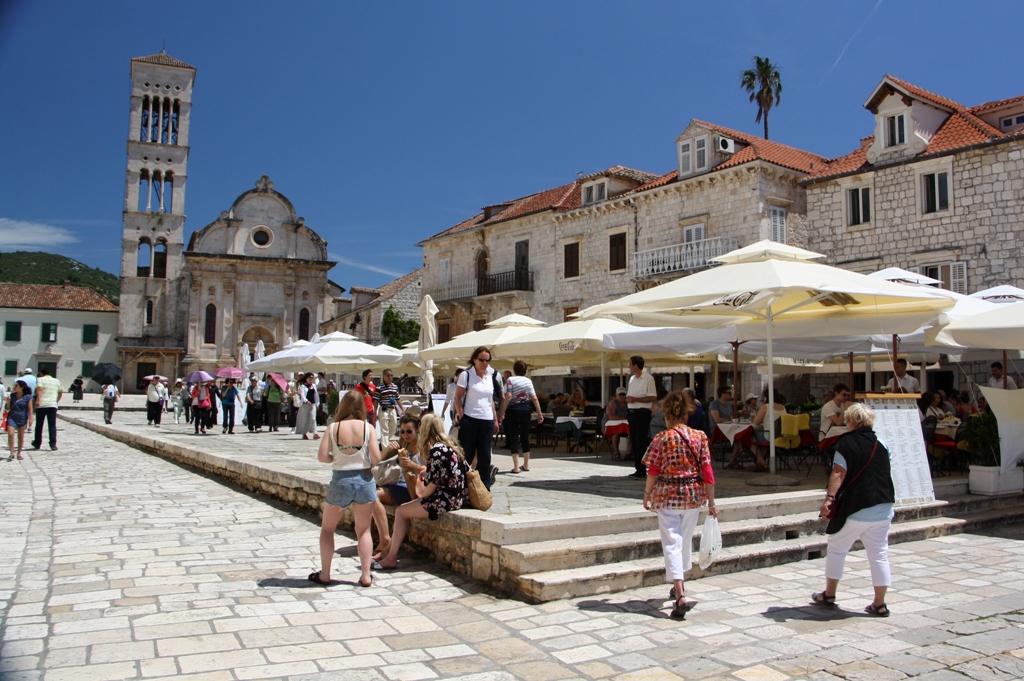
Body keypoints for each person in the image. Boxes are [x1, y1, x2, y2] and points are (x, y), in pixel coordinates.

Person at [642, 390, 718, 619]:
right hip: (693, 496)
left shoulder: (661, 438)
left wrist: (647, 493)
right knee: (684, 541)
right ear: (685, 414)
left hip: (667, 495)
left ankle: (680, 591)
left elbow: (652, 470)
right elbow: (708, 472)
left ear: (667, 415)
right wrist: (712, 502)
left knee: (672, 543)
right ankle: (679, 584)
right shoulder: (700, 437)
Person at [815, 403, 895, 617]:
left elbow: (838, 473)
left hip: (856, 507)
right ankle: (879, 603)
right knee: (879, 554)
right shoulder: (882, 444)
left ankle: (829, 594)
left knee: (837, 549)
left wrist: (829, 499)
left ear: (851, 421)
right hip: (882, 505)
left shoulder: (846, 443)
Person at [377, 414, 468, 570]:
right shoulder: (450, 446)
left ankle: (390, 556)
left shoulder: (435, 451)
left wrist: (419, 499)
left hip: (443, 500)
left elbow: (430, 489)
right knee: (404, 510)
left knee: (401, 512)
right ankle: (386, 553)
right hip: (456, 497)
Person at [310, 391, 381, 587]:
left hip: (340, 480)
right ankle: (366, 575)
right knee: (364, 530)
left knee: (327, 529)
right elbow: (376, 458)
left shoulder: (333, 428)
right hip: (364, 480)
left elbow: (322, 456)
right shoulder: (368, 428)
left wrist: (338, 459)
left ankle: (325, 573)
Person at [370, 413, 427, 559]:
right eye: (402, 431)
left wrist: (413, 465)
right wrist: (389, 449)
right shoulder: (403, 444)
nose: (405, 434)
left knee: (373, 496)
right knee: (370, 496)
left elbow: (430, 471)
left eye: (409, 431)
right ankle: (383, 538)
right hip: (398, 485)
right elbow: (376, 461)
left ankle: (382, 539)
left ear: (417, 430)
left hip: (413, 488)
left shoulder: (425, 448)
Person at [453, 346, 505, 489]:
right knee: (467, 455)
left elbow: (490, 401)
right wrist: (463, 417)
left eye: (487, 360)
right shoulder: (467, 375)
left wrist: (495, 419)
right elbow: (457, 397)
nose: (484, 363)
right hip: (470, 418)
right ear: (474, 359)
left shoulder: (490, 376)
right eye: (481, 360)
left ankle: (484, 488)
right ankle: (462, 487)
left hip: (487, 419)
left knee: (485, 457)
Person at [499, 360, 544, 474]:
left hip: (513, 410)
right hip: (526, 410)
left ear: (514, 370)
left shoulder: (510, 380)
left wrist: (502, 411)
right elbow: (534, 398)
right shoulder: (528, 381)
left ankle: (516, 466)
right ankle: (526, 465)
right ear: (525, 370)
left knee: (513, 436)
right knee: (525, 435)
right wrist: (539, 412)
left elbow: (508, 396)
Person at [626, 355, 658, 479]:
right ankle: (637, 468)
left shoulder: (648, 379)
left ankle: (642, 469)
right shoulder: (632, 379)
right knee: (634, 441)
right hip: (632, 412)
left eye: (630, 364)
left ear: (635, 365)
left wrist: (636, 399)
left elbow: (652, 397)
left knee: (641, 441)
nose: (629, 367)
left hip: (642, 412)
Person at [752, 391, 787, 472]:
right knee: (763, 443)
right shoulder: (783, 407)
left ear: (766, 397)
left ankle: (764, 463)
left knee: (751, 440)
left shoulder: (765, 406)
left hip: (770, 436)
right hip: (781, 436)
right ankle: (759, 462)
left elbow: (756, 422)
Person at [31, 365, 63, 451]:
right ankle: (53, 444)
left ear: (41, 373)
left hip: (42, 405)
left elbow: (39, 389)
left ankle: (37, 443)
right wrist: (55, 401)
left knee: (39, 425)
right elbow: (60, 393)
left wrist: (38, 400)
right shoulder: (57, 381)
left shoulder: (40, 380)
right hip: (52, 405)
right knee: (52, 425)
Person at [6, 379, 34, 461]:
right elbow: (8, 407)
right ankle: (11, 453)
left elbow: (30, 409)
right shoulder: (12, 396)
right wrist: (8, 402)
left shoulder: (28, 397)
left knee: (20, 436)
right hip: (12, 417)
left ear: (22, 387)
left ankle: (19, 453)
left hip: (22, 417)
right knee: (10, 434)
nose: (14, 387)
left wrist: (30, 418)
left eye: (16, 385)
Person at [376, 369, 404, 444]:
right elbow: (375, 401)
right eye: (388, 375)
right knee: (385, 430)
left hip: (392, 409)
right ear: (384, 376)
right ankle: (385, 449)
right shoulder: (379, 387)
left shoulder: (395, 387)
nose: (390, 377)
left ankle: (384, 442)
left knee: (393, 428)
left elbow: (398, 399)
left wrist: (402, 409)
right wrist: (375, 412)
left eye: (391, 375)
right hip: (383, 409)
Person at [605, 387, 630, 459]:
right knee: (616, 431)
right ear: (616, 395)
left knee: (634, 431)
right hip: (609, 425)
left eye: (623, 394)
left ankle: (629, 452)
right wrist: (625, 418)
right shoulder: (612, 403)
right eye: (620, 394)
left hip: (623, 424)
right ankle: (616, 451)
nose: (622, 396)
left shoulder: (627, 403)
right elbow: (611, 417)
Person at [294, 373, 319, 440]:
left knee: (313, 418)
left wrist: (317, 403)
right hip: (305, 405)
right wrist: (306, 401)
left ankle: (315, 433)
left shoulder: (314, 386)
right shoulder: (303, 386)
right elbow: (302, 395)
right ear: (306, 378)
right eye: (310, 377)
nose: (311, 379)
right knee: (304, 419)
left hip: (312, 404)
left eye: (312, 377)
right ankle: (304, 433)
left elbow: (316, 396)